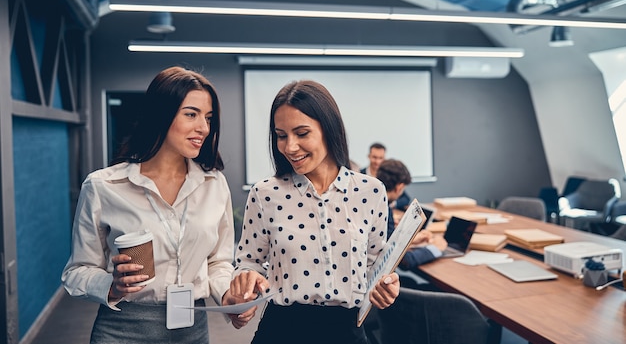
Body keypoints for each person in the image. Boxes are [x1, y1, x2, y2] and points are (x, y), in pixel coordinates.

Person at [61, 66, 255, 343]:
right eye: (191, 114)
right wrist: (112, 286)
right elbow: (76, 271)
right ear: (161, 115)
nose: (203, 128)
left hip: (193, 330)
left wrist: (229, 296)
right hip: (122, 330)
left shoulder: (214, 184)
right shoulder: (103, 187)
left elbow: (218, 262)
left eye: (208, 118)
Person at [229, 80, 400, 344]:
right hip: (282, 331)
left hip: (347, 332)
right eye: (281, 135)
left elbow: (376, 267)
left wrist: (387, 286)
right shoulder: (265, 194)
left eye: (302, 133)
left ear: (329, 130)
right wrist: (245, 287)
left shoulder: (371, 191)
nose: (289, 147)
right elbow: (248, 262)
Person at [376, 159, 446, 268]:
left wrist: (411, 241)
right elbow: (402, 260)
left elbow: (386, 245)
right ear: (399, 187)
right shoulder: (384, 209)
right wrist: (435, 248)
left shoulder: (374, 203)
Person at [360, 144, 410, 210]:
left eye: (381, 158)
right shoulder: (360, 175)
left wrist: (390, 203)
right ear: (369, 156)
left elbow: (405, 198)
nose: (377, 161)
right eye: (374, 157)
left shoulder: (388, 175)